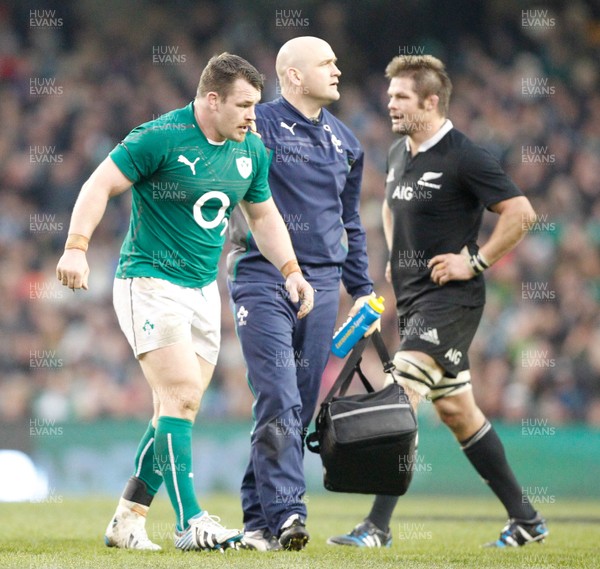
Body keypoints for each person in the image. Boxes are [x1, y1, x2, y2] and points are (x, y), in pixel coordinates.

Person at [55, 52, 314, 553]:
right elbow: (99, 185)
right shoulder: (160, 137)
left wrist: (292, 271)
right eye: (243, 105)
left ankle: (127, 520)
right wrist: (76, 247)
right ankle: (190, 523)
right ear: (211, 100)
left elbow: (263, 218)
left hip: (201, 291)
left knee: (176, 411)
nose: (251, 116)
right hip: (147, 282)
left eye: (255, 106)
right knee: (181, 397)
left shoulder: (251, 151)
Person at [327, 55, 549, 549]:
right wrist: (391, 260)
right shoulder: (400, 154)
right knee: (458, 414)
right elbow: (388, 205)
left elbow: (521, 213)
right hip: (412, 300)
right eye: (390, 97)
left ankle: (376, 527)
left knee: (400, 390)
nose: (391, 104)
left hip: (451, 301)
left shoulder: (464, 155)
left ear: (431, 101)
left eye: (401, 97)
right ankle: (527, 519)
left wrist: (476, 260)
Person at [226, 36, 375, 551]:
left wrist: (364, 291)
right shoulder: (256, 123)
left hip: (326, 283)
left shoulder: (347, 143)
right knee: (279, 393)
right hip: (263, 274)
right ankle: (289, 514)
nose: (338, 69)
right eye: (326, 62)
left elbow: (350, 223)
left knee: (297, 407)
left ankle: (256, 524)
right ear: (292, 75)